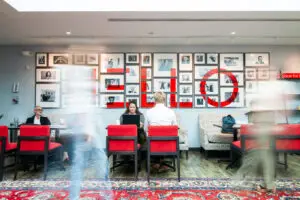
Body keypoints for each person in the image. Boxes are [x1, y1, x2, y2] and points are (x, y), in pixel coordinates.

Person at [144, 91, 177, 171]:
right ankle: (161, 162)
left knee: (148, 136)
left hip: (153, 144)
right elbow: (175, 127)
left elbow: (145, 129)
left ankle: (157, 162)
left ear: (154, 100)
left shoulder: (149, 112)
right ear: (164, 100)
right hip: (168, 144)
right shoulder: (171, 112)